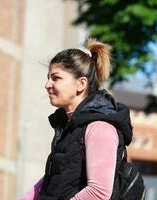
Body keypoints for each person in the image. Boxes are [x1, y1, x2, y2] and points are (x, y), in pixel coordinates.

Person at [21, 38, 133, 200]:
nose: (47, 84)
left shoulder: (99, 127)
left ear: (81, 84)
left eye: (56, 78)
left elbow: (98, 192)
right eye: (48, 77)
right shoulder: (70, 126)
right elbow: (56, 178)